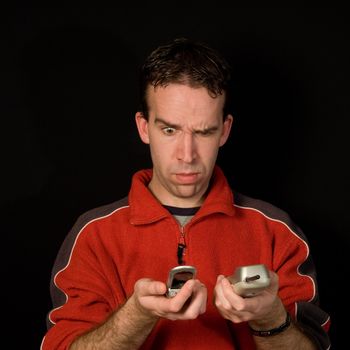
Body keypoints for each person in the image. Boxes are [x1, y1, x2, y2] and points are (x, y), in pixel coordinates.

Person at [41, 37, 331, 349]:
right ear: (143, 127)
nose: (187, 154)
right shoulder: (93, 235)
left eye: (204, 132)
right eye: (170, 130)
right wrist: (137, 314)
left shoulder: (276, 231)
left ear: (225, 129)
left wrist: (270, 318)